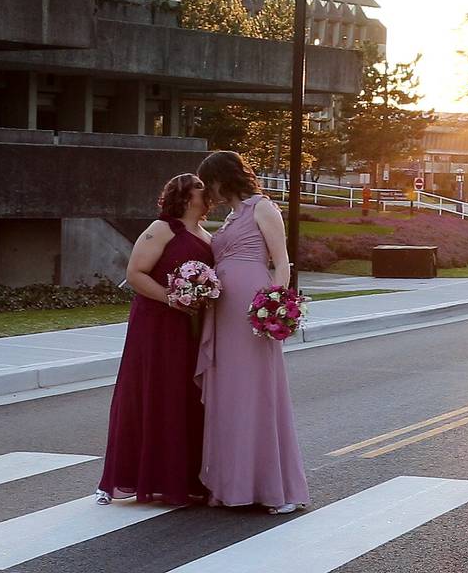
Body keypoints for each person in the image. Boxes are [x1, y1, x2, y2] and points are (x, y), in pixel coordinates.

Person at [195, 151, 310, 515]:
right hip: (223, 315)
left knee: (257, 394)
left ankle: (276, 488)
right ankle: (233, 485)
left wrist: (274, 307)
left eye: (208, 181)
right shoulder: (230, 218)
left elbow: (282, 261)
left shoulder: (262, 207)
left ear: (222, 178)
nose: (207, 190)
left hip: (252, 313)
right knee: (230, 395)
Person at [95, 174, 214, 505]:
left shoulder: (206, 234)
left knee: (182, 395)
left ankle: (181, 476)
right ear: (187, 195)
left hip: (189, 327)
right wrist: (172, 298)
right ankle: (127, 476)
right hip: (156, 323)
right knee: (148, 391)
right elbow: (134, 273)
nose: (209, 192)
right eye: (202, 187)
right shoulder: (163, 228)